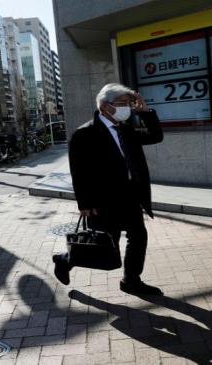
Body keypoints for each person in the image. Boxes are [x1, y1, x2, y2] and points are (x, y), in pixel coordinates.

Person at [52, 83, 164, 295]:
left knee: (138, 236)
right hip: (104, 200)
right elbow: (79, 171)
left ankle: (131, 280)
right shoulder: (84, 134)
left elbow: (154, 137)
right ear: (104, 106)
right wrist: (84, 203)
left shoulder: (128, 127)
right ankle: (65, 260)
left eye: (129, 104)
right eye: (122, 104)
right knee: (103, 243)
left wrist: (145, 112)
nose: (127, 108)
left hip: (130, 195)